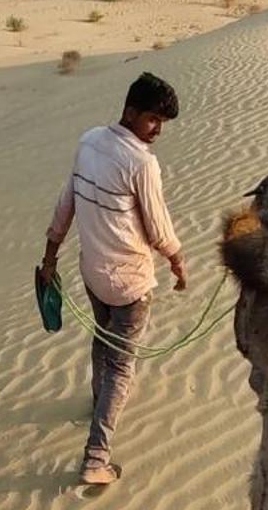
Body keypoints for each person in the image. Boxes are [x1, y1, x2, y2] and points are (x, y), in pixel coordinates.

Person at [40, 72, 187, 486]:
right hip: (130, 283)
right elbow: (158, 230)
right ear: (130, 111)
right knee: (122, 366)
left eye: (162, 122)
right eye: (152, 119)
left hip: (93, 273)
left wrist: (51, 255)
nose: (157, 129)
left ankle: (97, 400)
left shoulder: (88, 142)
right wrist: (178, 261)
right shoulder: (141, 162)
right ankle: (96, 457)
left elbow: (65, 204)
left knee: (102, 341)